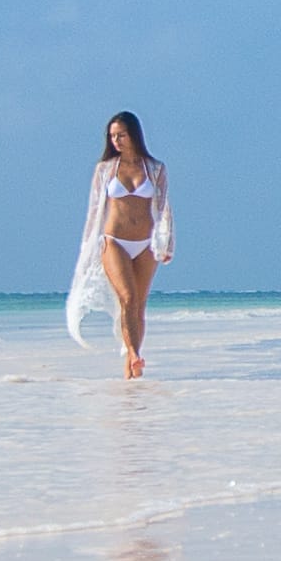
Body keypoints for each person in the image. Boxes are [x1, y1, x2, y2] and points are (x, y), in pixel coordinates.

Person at [68, 110, 170, 372]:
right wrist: (88, 247)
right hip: (114, 242)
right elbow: (94, 211)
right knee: (127, 297)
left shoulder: (156, 168)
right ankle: (135, 354)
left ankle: (131, 368)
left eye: (121, 135)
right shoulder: (105, 170)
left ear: (134, 135)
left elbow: (163, 208)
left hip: (146, 243)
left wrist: (166, 242)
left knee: (139, 304)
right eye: (112, 136)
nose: (116, 141)